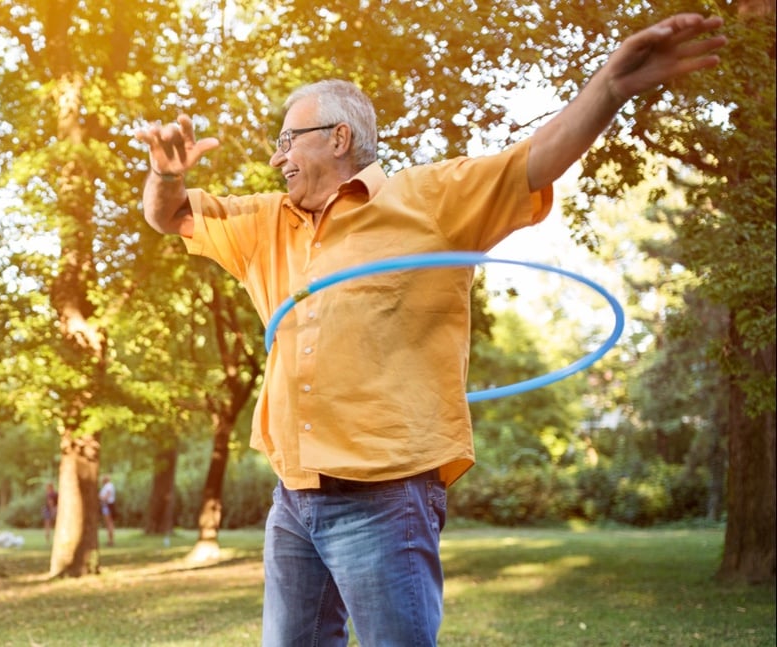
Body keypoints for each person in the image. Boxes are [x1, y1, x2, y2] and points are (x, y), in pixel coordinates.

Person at [134, 14, 725, 647]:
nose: (277, 156)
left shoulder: (430, 200)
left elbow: (535, 161)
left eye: (287, 139)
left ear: (338, 138)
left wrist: (610, 86)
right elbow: (168, 216)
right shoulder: (265, 223)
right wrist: (169, 175)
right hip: (294, 499)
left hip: (385, 500)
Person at [98, 475, 116, 547]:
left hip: (107, 506)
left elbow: (106, 497)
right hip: (106, 506)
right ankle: (110, 540)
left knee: (109, 523)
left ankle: (111, 541)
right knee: (108, 523)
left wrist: (98, 496)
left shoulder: (109, 486)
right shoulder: (107, 486)